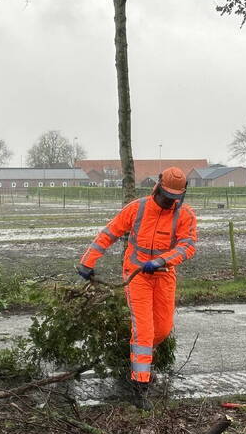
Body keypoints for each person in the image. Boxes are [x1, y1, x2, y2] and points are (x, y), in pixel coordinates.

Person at [76, 166, 198, 396]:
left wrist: (162, 261)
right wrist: (87, 262)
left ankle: (137, 356)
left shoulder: (185, 215)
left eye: (173, 198)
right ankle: (140, 384)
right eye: (165, 196)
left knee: (160, 330)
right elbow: (109, 233)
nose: (168, 202)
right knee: (143, 329)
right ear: (157, 187)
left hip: (163, 275)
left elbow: (187, 246)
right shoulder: (137, 208)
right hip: (136, 275)